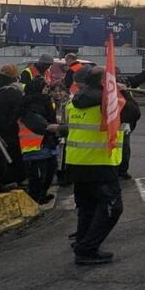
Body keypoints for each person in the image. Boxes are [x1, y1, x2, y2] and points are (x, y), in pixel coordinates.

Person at [60, 68, 132, 265]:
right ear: (103, 82)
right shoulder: (107, 102)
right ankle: (87, 248)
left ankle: (81, 242)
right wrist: (123, 92)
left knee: (87, 207)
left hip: (76, 161)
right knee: (112, 207)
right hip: (100, 161)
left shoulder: (73, 101)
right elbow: (134, 114)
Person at [18, 77, 58, 203]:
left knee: (49, 172)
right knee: (39, 175)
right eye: (45, 88)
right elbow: (36, 122)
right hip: (35, 144)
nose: (47, 90)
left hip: (46, 143)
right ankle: (36, 197)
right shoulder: (32, 103)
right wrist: (50, 128)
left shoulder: (43, 101)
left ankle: (41, 194)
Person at [0, 65, 25, 187]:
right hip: (10, 131)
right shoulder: (13, 92)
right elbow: (19, 111)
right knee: (11, 159)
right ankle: (10, 182)